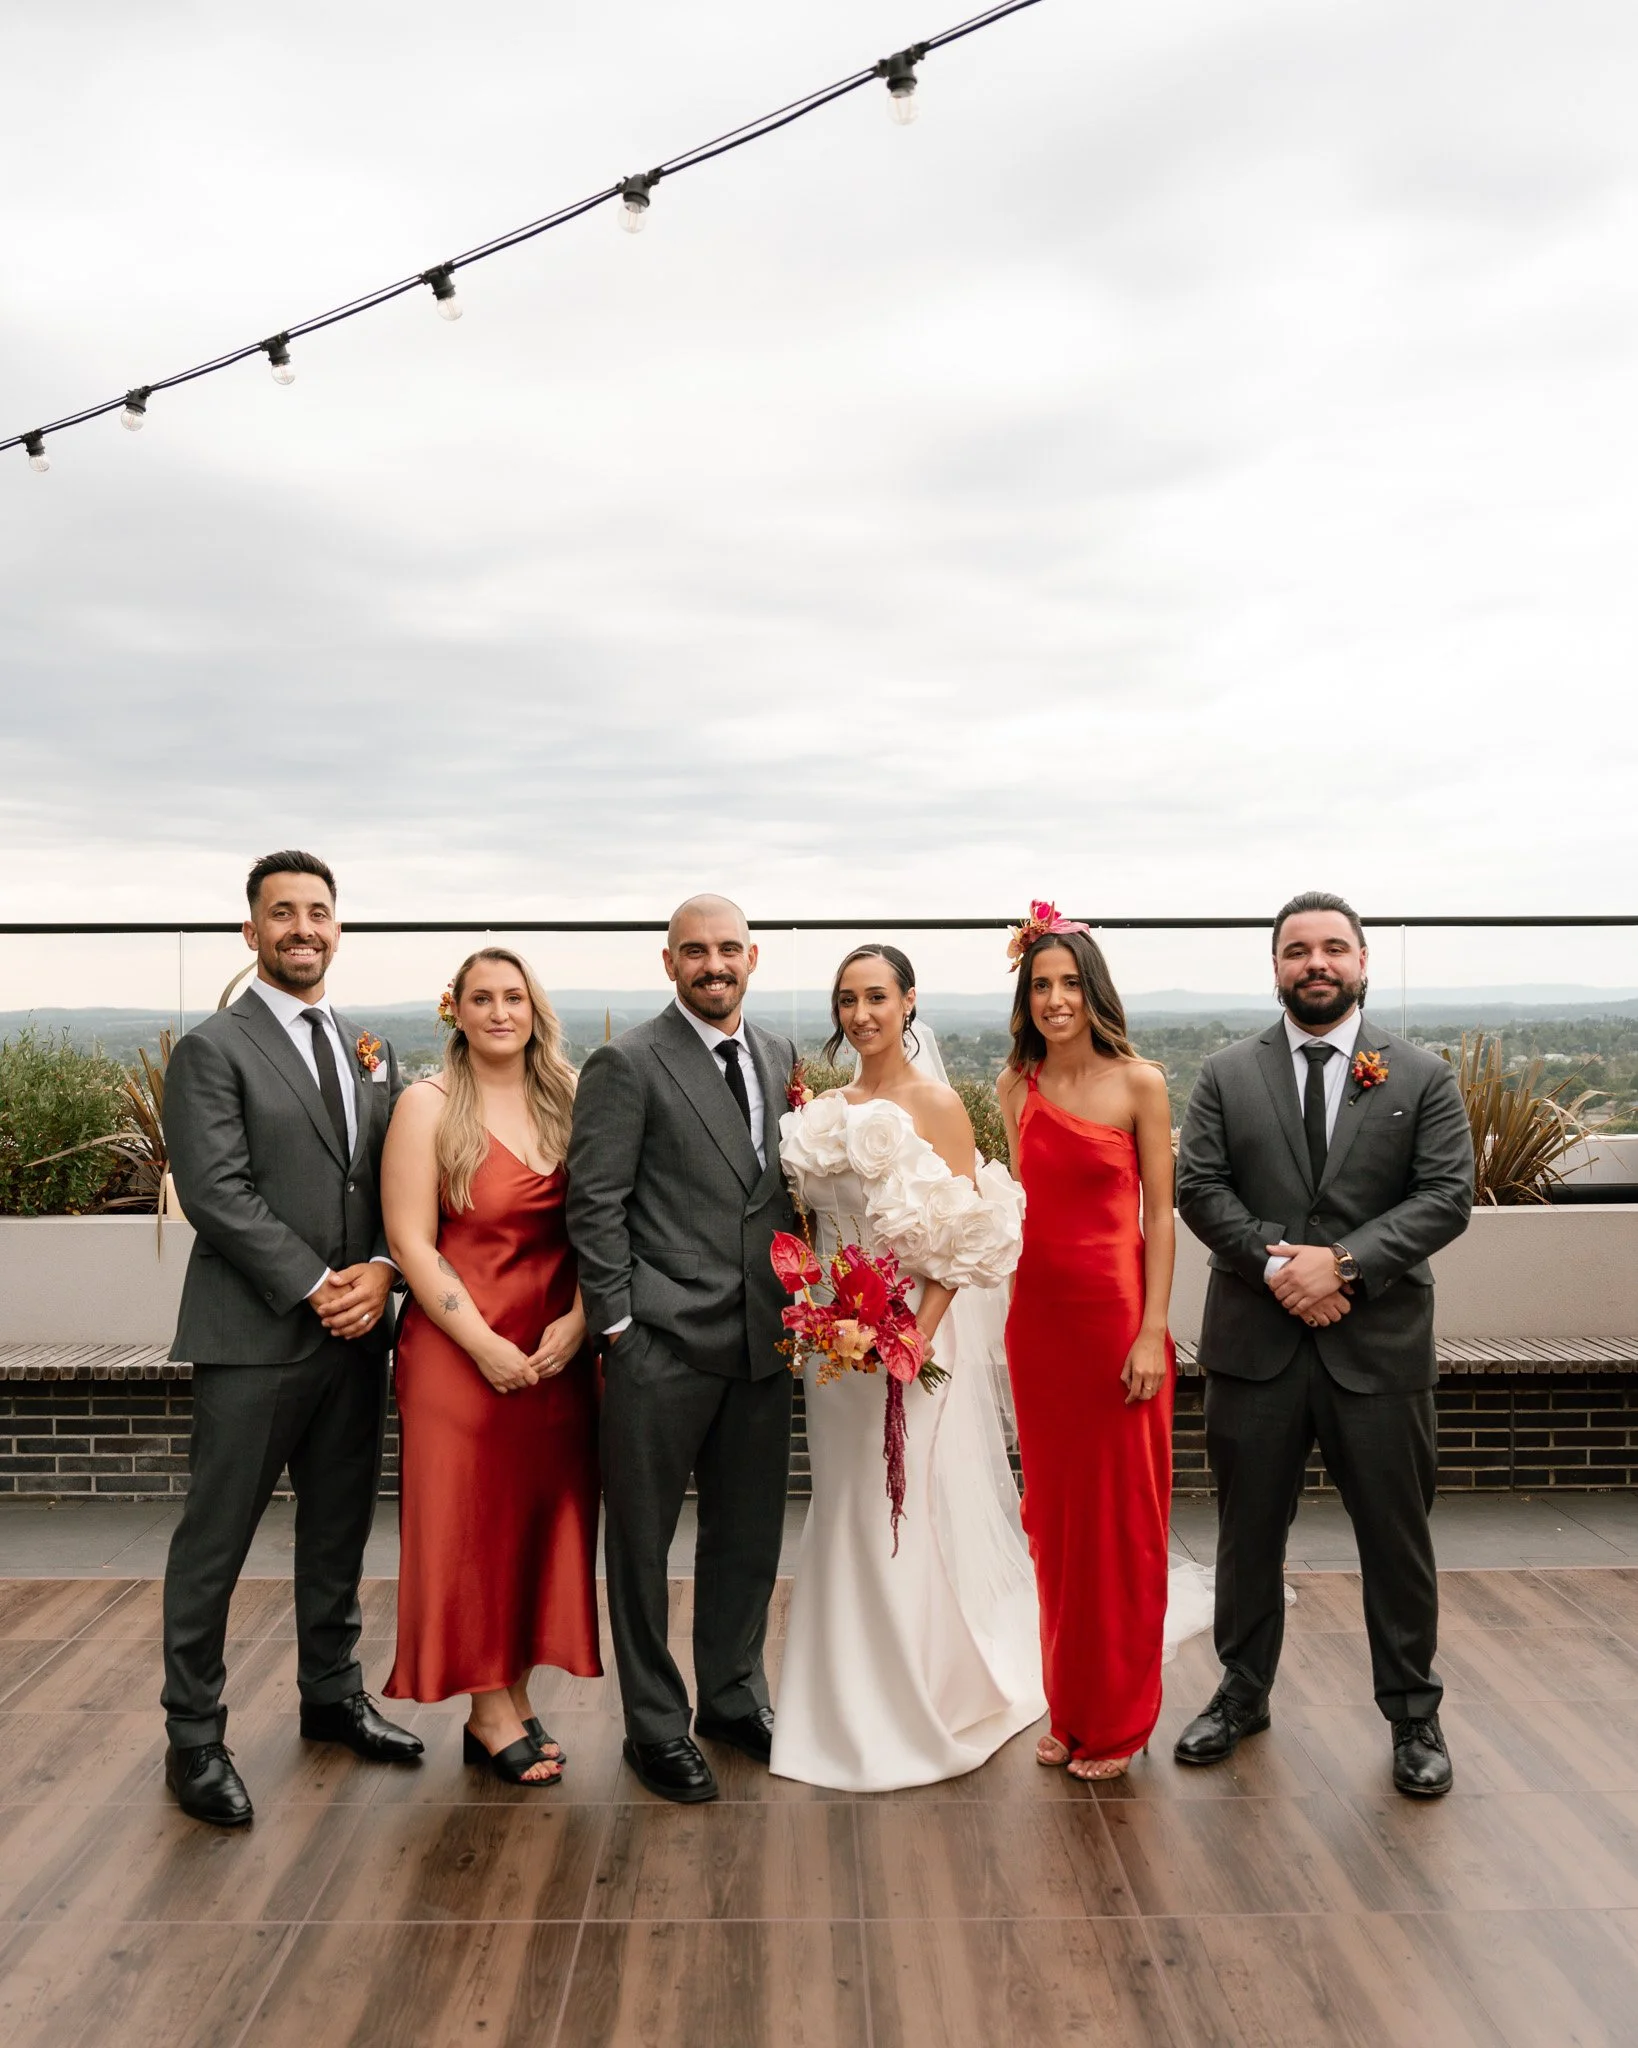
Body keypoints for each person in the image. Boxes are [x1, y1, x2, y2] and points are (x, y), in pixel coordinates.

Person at [1174, 890, 1474, 1797]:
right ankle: (1242, 1691)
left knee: (1396, 1539)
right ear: (1274, 967)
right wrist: (1281, 1271)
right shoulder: (1226, 1073)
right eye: (1297, 949)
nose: (1317, 963)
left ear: (1363, 962)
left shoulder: (1422, 1076)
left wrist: (1341, 1265)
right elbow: (1200, 1186)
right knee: (1247, 1533)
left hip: (1377, 1352)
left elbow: (1445, 1195)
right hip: (1255, 1349)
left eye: (1333, 948)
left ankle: (1414, 1714)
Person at [160, 850, 422, 1827]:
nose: (302, 927)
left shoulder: (370, 1048)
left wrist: (387, 1271)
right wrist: (320, 1285)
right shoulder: (212, 1049)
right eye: (282, 912)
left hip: (358, 1338)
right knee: (213, 1543)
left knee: (338, 1529)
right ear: (252, 931)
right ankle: (194, 1737)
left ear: (337, 927)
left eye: (317, 911)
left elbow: (398, 1178)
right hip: (254, 1336)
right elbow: (217, 1193)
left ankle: (333, 1695)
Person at [771, 945, 1044, 1792]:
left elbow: (965, 1241)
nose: (861, 1015)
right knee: (846, 1499)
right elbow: (819, 1234)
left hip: (913, 1340)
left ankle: (916, 1695)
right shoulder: (822, 1110)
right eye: (847, 999)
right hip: (835, 1350)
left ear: (909, 1001)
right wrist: (824, 1319)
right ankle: (838, 1695)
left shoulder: (939, 1105)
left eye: (877, 997)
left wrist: (908, 1338)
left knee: (902, 1503)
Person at [565, 895, 799, 1804]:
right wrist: (618, 1326)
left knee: (746, 1540)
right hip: (659, 1346)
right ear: (668, 963)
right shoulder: (625, 1064)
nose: (714, 964)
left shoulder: (779, 1058)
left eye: (729, 949)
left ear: (753, 958)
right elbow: (595, 1204)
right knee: (641, 1548)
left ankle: (734, 1698)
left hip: (762, 1345)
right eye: (694, 951)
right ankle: (654, 1727)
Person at [380, 948, 601, 1785]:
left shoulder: (575, 1100)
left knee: (536, 1525)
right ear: (457, 1011)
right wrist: (482, 1345)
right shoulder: (425, 1106)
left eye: (514, 996)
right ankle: (486, 1707)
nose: (500, 1011)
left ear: (535, 1008)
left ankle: (513, 1692)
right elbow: (410, 1242)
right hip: (459, 1357)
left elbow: (604, 1230)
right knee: (469, 1528)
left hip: (556, 1355)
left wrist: (578, 1324)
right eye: (482, 998)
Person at [997, 908, 1187, 1780]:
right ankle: (1069, 1707)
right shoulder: (1013, 1089)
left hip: (1118, 1326)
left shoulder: (1139, 1082)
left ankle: (1118, 1720)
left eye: (1070, 982)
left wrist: (1153, 1329)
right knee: (1057, 1527)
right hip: (1039, 1328)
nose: (1055, 998)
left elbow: (1160, 1215)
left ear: (1094, 989)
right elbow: (1017, 1213)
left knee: (1119, 1526)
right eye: (1041, 985)